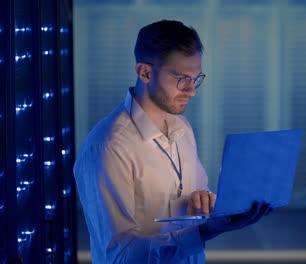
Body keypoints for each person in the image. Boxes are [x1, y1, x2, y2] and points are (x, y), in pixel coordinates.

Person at [73, 20, 272, 263]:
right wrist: (206, 230)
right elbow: (120, 256)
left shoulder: (181, 127)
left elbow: (195, 196)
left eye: (196, 78)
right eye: (181, 79)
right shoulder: (108, 147)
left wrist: (210, 206)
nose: (192, 91)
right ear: (145, 72)